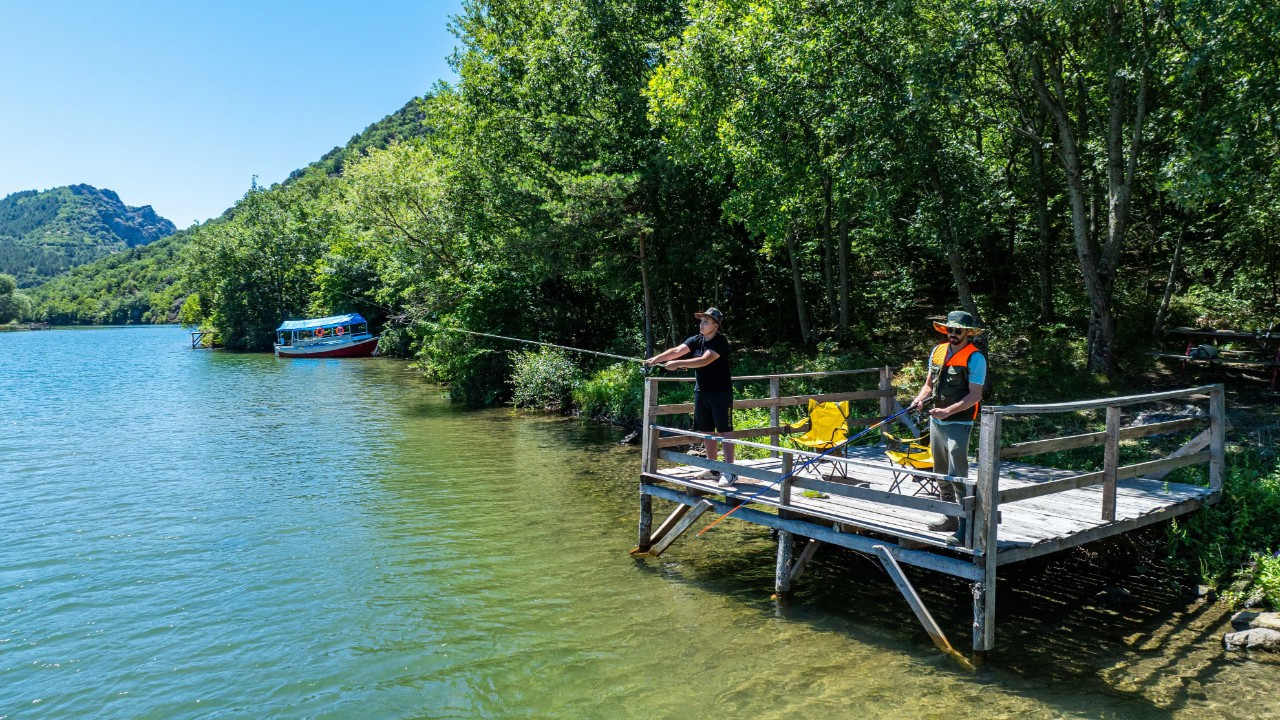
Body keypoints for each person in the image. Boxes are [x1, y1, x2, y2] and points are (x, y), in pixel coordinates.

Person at [908, 310, 988, 543]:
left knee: (957, 475)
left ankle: (965, 527)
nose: (953, 334)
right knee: (940, 473)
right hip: (936, 422)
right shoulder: (937, 351)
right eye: (950, 329)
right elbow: (928, 384)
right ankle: (949, 518)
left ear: (967, 333)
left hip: (959, 423)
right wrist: (919, 399)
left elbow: (975, 395)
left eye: (958, 331)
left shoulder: (976, 358)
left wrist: (948, 411)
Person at [644, 307, 736, 487]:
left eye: (706, 322)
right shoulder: (696, 339)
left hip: (721, 393)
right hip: (701, 392)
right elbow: (677, 350)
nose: (701, 325)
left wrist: (677, 364)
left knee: (725, 430)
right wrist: (656, 359)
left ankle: (731, 471)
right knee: (707, 430)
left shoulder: (720, 342)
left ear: (715, 325)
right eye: (701, 321)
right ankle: (714, 468)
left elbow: (704, 360)